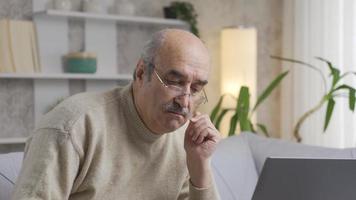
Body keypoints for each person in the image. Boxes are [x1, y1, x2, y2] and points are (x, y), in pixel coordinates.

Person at [12, 29, 221, 199]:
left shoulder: (186, 142)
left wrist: (200, 165)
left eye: (195, 89)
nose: (185, 101)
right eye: (174, 81)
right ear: (141, 73)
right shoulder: (73, 126)